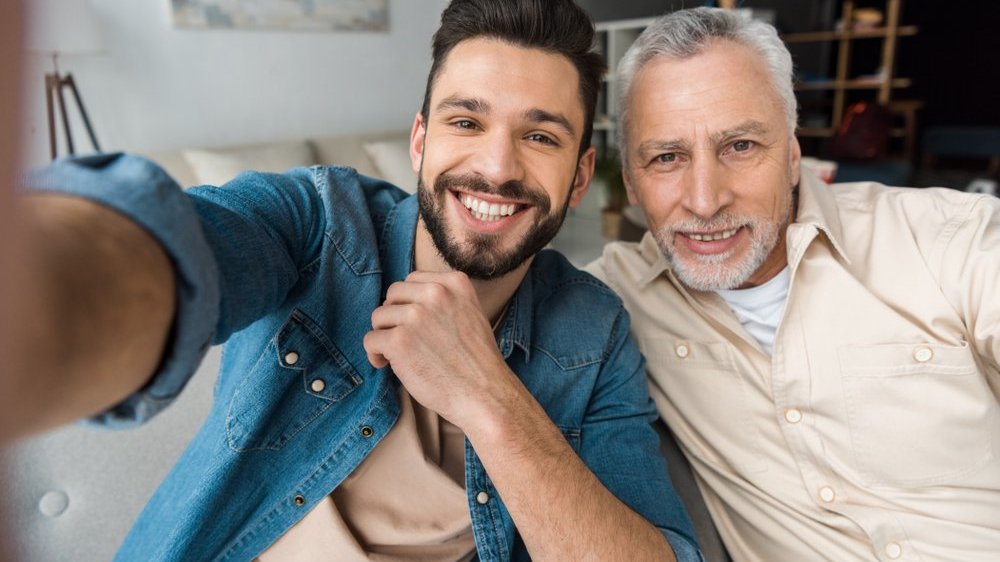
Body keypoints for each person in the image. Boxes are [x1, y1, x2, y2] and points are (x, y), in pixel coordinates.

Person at [14, 0, 705, 561]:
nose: (497, 167)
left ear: (581, 176)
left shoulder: (594, 330)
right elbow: (169, 254)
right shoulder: (317, 224)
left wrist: (488, 399)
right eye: (466, 121)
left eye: (542, 136)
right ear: (419, 141)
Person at [586, 7, 1000, 561]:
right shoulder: (612, 298)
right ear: (632, 183)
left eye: (740, 147)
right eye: (667, 157)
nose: (705, 200)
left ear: (794, 153)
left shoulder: (952, 241)